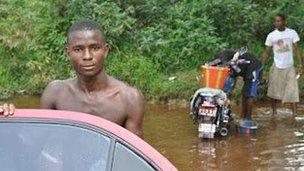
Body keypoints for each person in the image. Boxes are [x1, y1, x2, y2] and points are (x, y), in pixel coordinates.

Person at [40, 20, 145, 138]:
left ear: (105, 51)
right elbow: (38, 143)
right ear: (68, 53)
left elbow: (131, 153)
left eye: (94, 48)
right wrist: (14, 117)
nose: (87, 56)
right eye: (78, 49)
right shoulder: (55, 92)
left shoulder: (129, 98)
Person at [261, 13, 302, 115]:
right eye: (276, 21)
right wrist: (261, 66)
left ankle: (295, 114)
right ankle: (274, 113)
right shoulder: (271, 35)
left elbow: (297, 49)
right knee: (274, 90)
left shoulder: (292, 33)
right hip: (277, 66)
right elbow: (267, 52)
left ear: (284, 21)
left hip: (290, 66)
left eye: (279, 21)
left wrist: (301, 65)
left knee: (293, 90)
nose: (277, 23)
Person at [212, 49, 263, 119]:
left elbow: (232, 76)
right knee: (245, 93)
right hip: (245, 67)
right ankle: (242, 116)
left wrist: (228, 91)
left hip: (254, 68)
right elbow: (233, 77)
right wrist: (230, 91)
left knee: (249, 95)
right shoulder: (220, 61)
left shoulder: (227, 63)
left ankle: (248, 119)